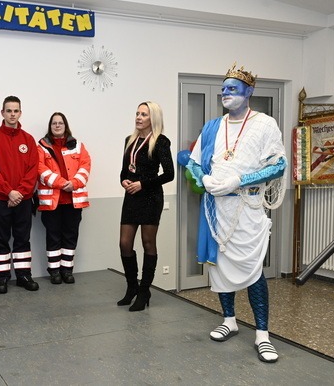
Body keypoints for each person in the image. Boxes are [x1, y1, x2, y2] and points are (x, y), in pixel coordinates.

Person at [186, 63, 287, 363]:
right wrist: (203, 178)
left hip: (248, 208)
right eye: (224, 89)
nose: (225, 93)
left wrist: (239, 180)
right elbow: (193, 163)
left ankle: (262, 335)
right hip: (216, 209)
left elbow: (278, 165)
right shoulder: (212, 127)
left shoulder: (265, 124)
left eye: (233, 89)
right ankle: (229, 320)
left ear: (249, 92)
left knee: (253, 271)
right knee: (219, 269)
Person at [117, 101, 174, 312]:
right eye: (137, 113)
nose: (139, 117)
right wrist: (124, 181)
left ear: (153, 119)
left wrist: (143, 184)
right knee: (124, 243)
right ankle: (132, 286)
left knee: (148, 242)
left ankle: (144, 291)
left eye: (144, 115)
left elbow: (169, 174)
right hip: (131, 196)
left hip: (150, 197)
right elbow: (124, 171)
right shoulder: (129, 141)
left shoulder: (160, 141)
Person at [0, 95, 39, 294]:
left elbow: (33, 170)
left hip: (23, 200)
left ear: (20, 113)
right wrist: (9, 191)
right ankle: (2, 278)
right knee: (0, 239)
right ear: (2, 113)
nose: (12, 114)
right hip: (0, 199)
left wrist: (20, 193)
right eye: (9, 110)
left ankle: (24, 275)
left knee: (22, 238)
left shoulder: (29, 140)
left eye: (16, 111)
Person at [37, 113, 91, 284]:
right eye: (54, 123)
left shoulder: (78, 146)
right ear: (50, 126)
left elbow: (85, 166)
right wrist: (62, 183)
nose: (57, 126)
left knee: (70, 236)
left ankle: (67, 270)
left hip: (73, 202)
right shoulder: (41, 146)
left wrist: (74, 183)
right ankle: (54, 272)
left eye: (60, 123)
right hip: (52, 203)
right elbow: (40, 170)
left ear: (66, 126)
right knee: (53, 237)